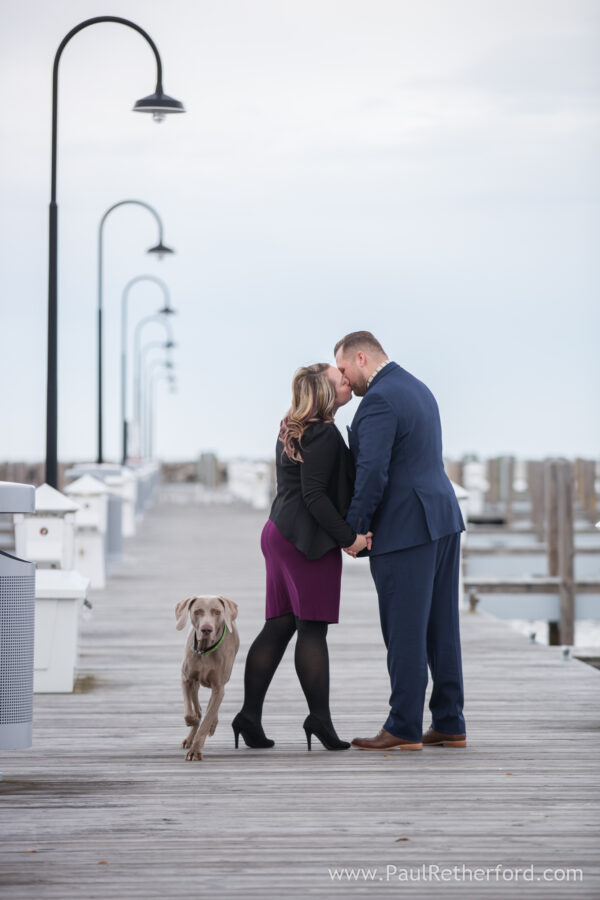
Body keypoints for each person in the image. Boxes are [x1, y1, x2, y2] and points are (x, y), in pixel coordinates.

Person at [334, 331, 467, 751]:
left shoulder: (379, 399)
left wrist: (355, 529)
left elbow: (373, 471)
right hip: (442, 520)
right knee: (442, 626)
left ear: (360, 358)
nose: (343, 379)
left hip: (406, 527)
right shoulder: (418, 388)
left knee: (405, 629)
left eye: (342, 369)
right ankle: (449, 721)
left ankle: (404, 726)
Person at [232, 363, 372, 752]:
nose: (347, 381)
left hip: (279, 533)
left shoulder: (292, 427)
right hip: (305, 542)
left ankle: (249, 717)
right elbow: (315, 496)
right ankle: (320, 720)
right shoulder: (323, 434)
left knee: (278, 626)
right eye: (339, 379)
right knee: (312, 629)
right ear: (324, 393)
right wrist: (351, 538)